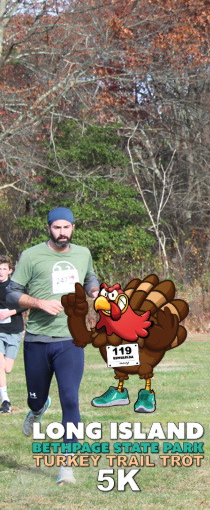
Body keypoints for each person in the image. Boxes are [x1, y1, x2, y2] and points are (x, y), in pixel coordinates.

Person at [5, 207, 99, 485]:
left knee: (70, 399)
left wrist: (94, 291)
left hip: (71, 338)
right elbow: (12, 293)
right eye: (57, 227)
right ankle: (37, 409)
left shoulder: (82, 253)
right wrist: (39, 303)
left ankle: (67, 466)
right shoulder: (31, 256)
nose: (62, 232)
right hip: (37, 339)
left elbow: (90, 276)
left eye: (66, 227)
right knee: (35, 398)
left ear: (73, 228)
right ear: (49, 228)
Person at [0, 255, 24, 413]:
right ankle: (5, 400)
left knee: (7, 369)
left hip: (14, 330)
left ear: (10, 271)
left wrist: (10, 312)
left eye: (4, 269)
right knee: (0, 365)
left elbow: (25, 304)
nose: (0, 271)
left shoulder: (14, 287)